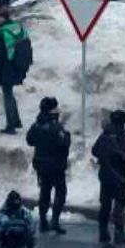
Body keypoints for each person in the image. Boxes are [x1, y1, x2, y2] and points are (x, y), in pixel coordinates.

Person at [26, 97, 71, 233]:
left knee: (44, 192)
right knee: (60, 192)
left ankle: (43, 221)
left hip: (41, 164)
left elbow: (29, 140)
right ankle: (55, 221)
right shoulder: (56, 127)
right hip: (56, 165)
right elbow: (64, 143)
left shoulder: (36, 125)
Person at [92, 110, 125, 245]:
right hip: (120, 177)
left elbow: (95, 151)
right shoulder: (123, 137)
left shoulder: (104, 135)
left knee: (105, 205)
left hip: (105, 176)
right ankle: (118, 233)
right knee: (119, 206)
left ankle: (103, 233)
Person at [0, 6, 33, 135]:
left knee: (7, 94)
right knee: (9, 93)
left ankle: (10, 125)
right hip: (19, 65)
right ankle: (16, 120)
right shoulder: (19, 27)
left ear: (2, 18)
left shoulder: (2, 33)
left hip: (7, 68)